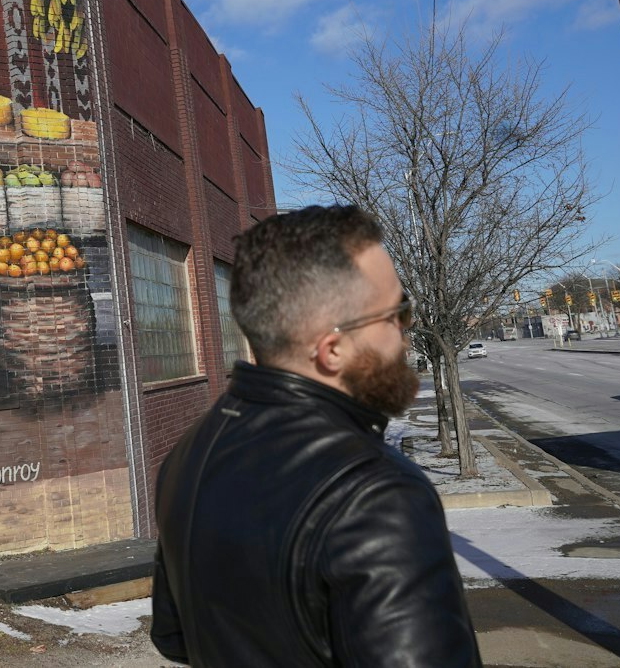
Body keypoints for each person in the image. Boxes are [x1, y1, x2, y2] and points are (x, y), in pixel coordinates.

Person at [150, 205, 481, 666]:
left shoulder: (189, 453)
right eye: (396, 315)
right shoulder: (376, 494)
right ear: (332, 349)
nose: (406, 335)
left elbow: (173, 636)